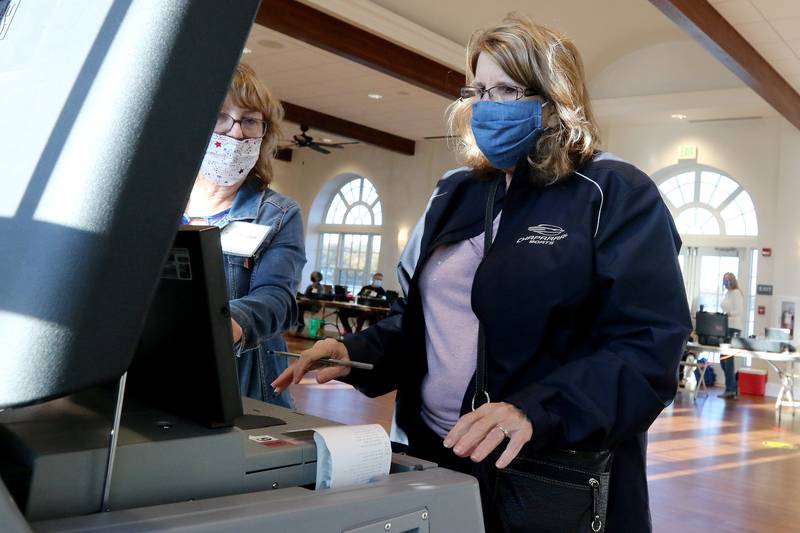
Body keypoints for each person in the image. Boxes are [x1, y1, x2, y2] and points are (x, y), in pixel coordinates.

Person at [273, 15, 690, 532]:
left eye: (509, 90)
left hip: (545, 468)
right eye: (480, 90)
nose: (488, 106)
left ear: (555, 97)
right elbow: (426, 320)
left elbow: (647, 347)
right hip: (435, 451)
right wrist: (358, 353)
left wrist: (536, 410)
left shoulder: (612, 193)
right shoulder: (457, 192)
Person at [185, 63, 305, 408]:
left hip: (243, 392)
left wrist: (228, 323)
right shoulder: (158, 208)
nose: (236, 134)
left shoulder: (278, 214)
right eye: (222, 117)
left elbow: (277, 299)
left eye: (250, 120)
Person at [718, 272, 744, 399]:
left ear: (733, 281)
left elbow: (739, 311)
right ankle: (733, 386)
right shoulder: (726, 293)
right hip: (725, 327)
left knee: (728, 360)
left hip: (734, 328)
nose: (727, 282)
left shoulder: (736, 293)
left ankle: (730, 389)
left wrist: (728, 314)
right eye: (725, 280)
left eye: (729, 280)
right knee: (723, 360)